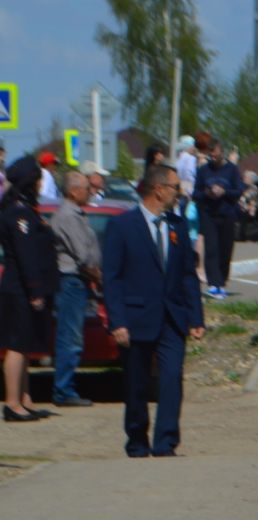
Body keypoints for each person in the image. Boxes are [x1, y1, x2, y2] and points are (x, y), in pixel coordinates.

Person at [101, 163, 205, 455]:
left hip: (172, 318)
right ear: (158, 190)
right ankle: (137, 439)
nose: (179, 193)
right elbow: (112, 277)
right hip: (135, 319)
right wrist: (117, 321)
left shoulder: (178, 225)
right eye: (175, 187)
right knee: (137, 385)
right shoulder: (122, 226)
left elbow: (187, 274)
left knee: (172, 378)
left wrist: (196, 317)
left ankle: (166, 442)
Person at [2, 157, 60, 422]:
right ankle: (12, 402)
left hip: (23, 287)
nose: (40, 183)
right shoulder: (19, 213)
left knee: (24, 345)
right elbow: (26, 256)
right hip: (19, 289)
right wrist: (35, 290)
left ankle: (24, 398)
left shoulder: (25, 209)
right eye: (37, 179)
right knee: (16, 345)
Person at [48, 170, 100, 408]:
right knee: (70, 337)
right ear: (72, 191)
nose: (90, 192)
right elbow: (82, 255)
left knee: (72, 335)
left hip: (77, 282)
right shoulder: (68, 217)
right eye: (85, 188)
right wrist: (98, 277)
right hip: (71, 282)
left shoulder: (77, 214)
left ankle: (66, 387)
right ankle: (64, 390)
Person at [193, 137, 242, 299]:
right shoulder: (203, 171)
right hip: (209, 214)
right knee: (211, 249)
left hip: (228, 214)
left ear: (222, 152)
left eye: (215, 154)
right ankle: (214, 284)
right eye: (210, 155)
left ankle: (222, 281)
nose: (212, 157)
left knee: (225, 249)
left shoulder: (232, 170)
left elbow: (238, 191)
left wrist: (224, 192)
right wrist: (207, 193)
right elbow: (196, 193)